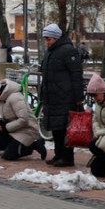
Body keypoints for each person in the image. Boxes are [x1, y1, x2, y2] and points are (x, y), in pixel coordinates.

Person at [39, 23, 84, 167]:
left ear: (56, 38)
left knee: (65, 129)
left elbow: (76, 75)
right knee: (56, 129)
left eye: (49, 39)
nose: (47, 41)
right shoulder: (51, 52)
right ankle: (59, 155)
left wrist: (78, 98)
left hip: (65, 97)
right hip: (52, 97)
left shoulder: (68, 51)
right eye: (45, 38)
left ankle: (67, 158)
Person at [0, 80, 47, 160]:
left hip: (27, 130)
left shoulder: (15, 97)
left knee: (8, 156)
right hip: (14, 128)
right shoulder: (0, 98)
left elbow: (24, 119)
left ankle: (35, 145)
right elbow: (4, 114)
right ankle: (10, 145)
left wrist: (6, 127)